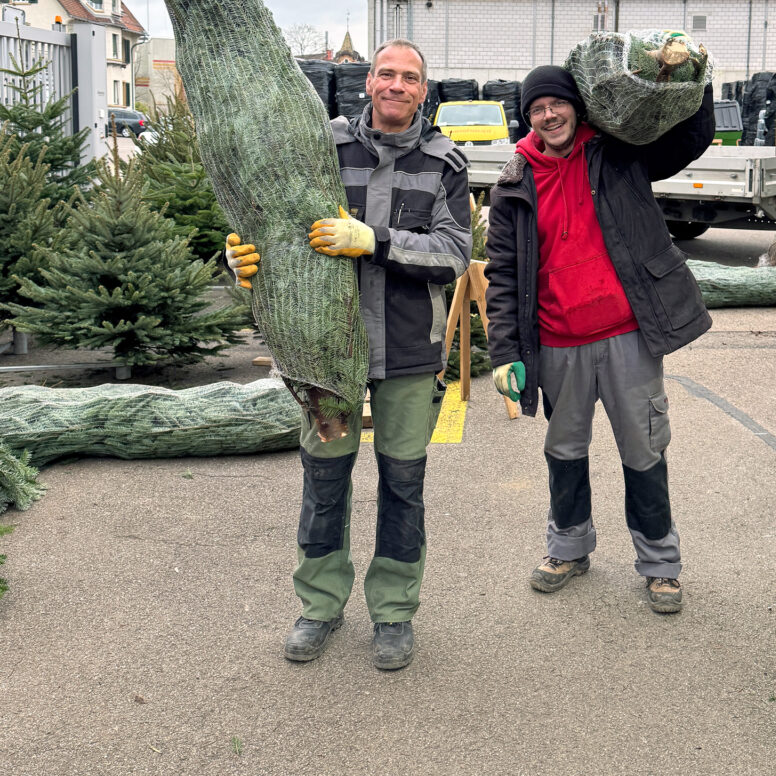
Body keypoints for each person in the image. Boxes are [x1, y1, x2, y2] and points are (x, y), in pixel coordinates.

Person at [226, 38, 472, 667]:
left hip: (408, 351)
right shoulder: (324, 146)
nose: (396, 85)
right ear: (368, 81)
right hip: (325, 353)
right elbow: (276, 224)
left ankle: (393, 611)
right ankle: (319, 604)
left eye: (409, 77)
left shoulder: (445, 161)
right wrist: (241, 261)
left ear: (423, 90)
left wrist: (375, 241)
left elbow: (453, 254)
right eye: (386, 73)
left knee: (403, 483)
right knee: (325, 478)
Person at [484, 64, 714, 614]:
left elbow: (688, 138)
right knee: (564, 451)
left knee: (644, 449)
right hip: (558, 342)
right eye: (537, 109)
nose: (549, 115)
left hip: (627, 336)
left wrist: (695, 79)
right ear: (528, 118)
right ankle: (568, 548)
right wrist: (505, 353)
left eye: (557, 104)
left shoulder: (620, 154)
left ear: (577, 107)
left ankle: (660, 564)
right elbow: (502, 276)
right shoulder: (513, 185)